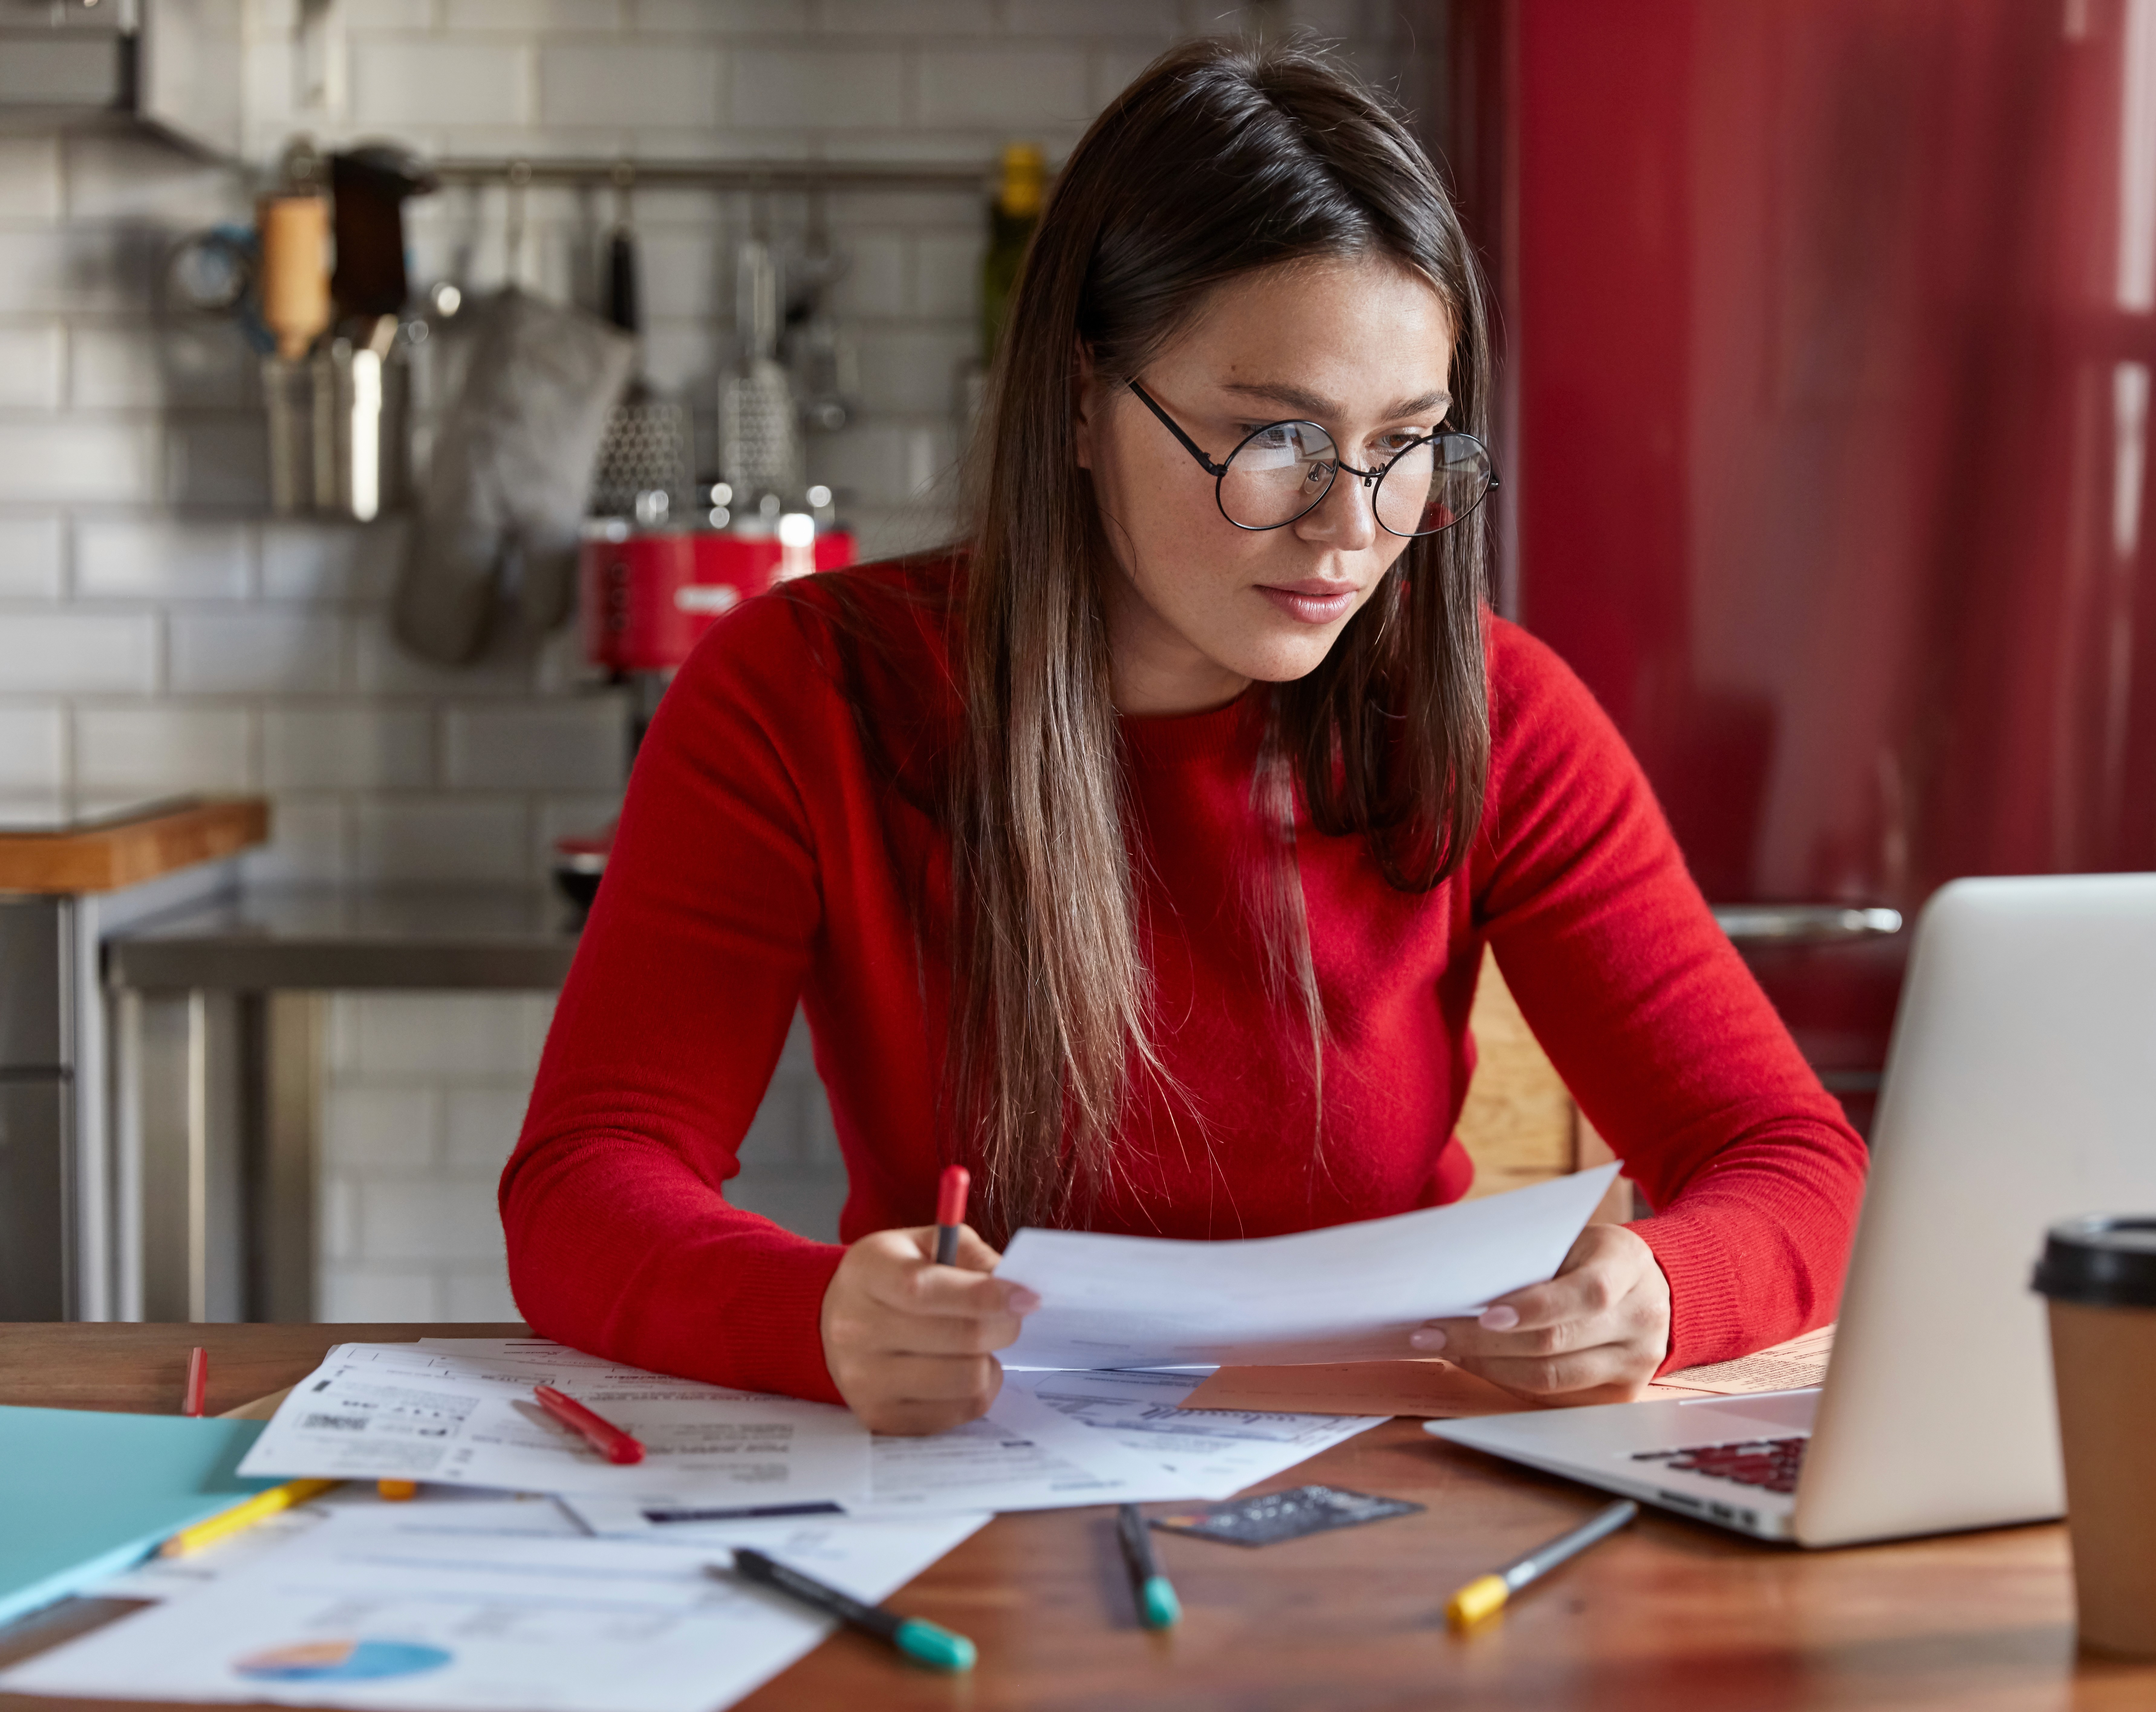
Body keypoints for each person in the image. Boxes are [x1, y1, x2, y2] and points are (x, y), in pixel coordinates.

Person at [501, 38, 1867, 1436]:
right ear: (1081, 403)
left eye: (1406, 443)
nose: (1352, 528)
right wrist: (818, 1316)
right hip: (977, 1481)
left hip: (1391, 1475)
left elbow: (1795, 1159)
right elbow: (585, 1184)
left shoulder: (1501, 714)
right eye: (1276, 440)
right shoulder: (801, 693)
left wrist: (1667, 1288)